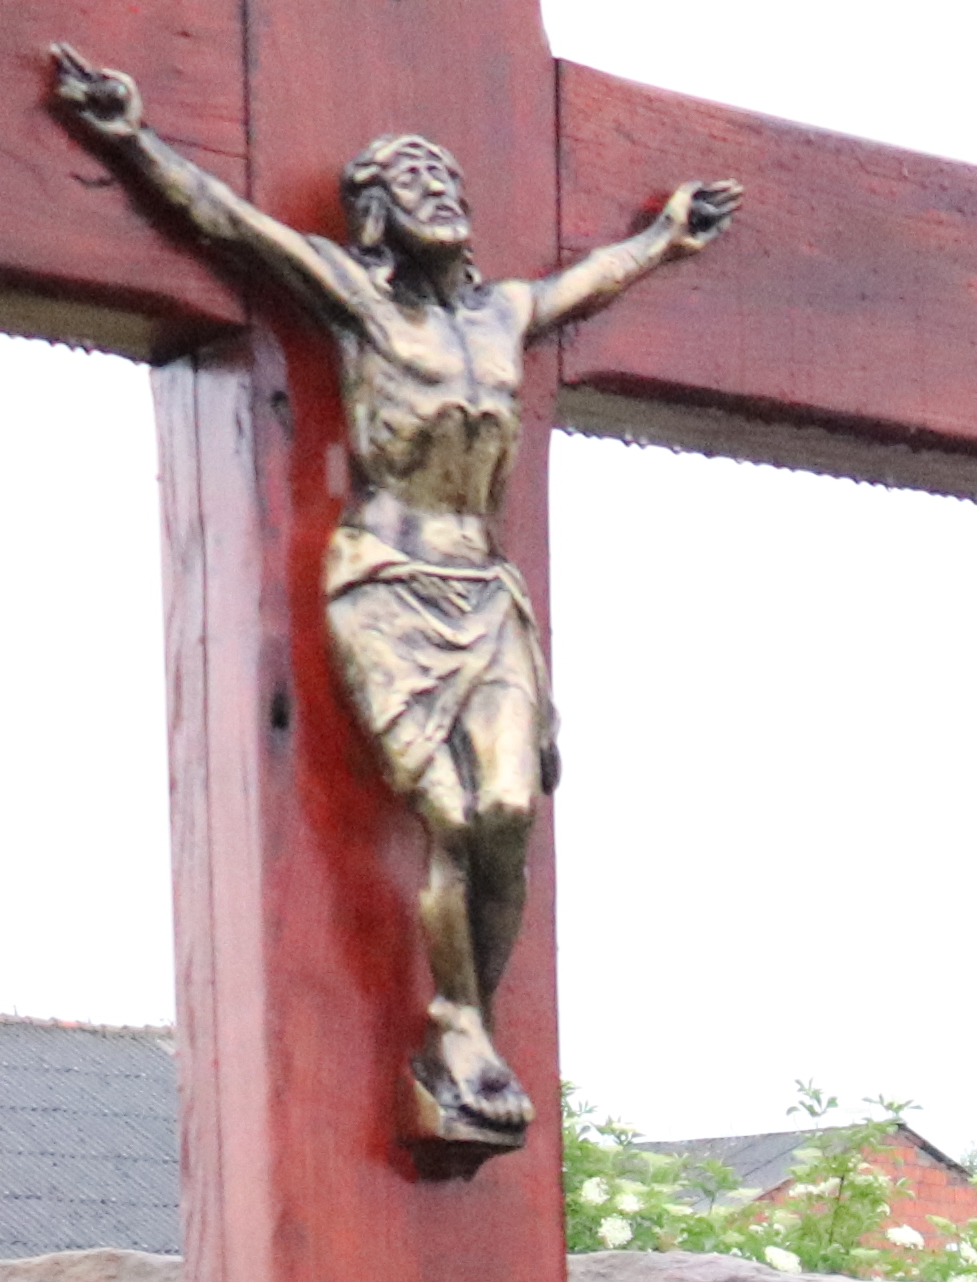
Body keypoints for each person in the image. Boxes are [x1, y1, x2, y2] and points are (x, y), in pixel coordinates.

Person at [50, 50, 737, 1151]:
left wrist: (666, 236)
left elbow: (591, 282)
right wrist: (132, 139)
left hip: (485, 593)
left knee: (509, 810)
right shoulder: (358, 302)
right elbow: (229, 225)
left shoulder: (505, 316)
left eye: (453, 189)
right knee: (453, 814)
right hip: (387, 585)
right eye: (419, 190)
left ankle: (470, 1015)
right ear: (376, 216)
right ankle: (457, 1032)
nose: (446, 203)